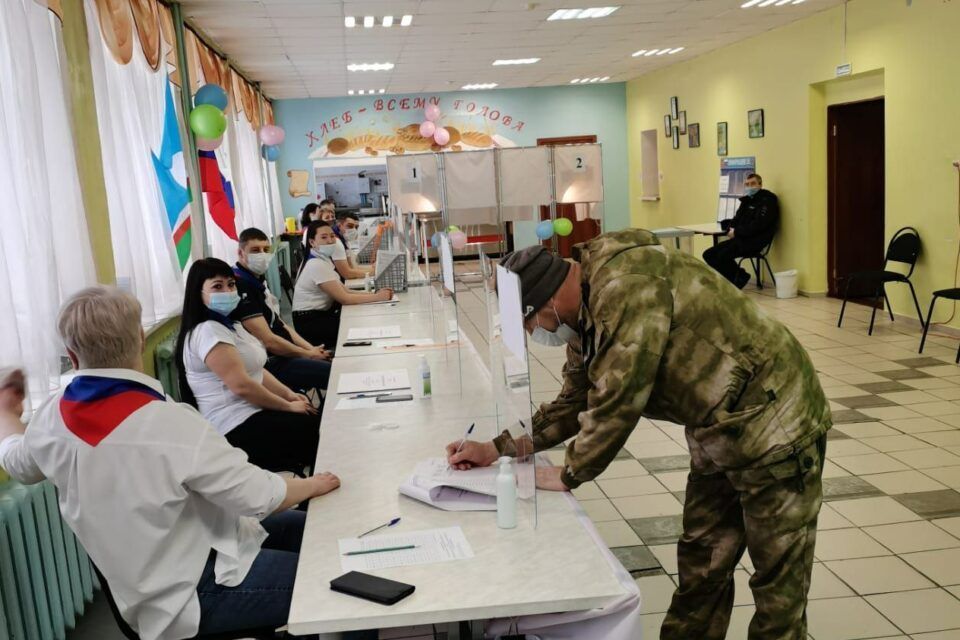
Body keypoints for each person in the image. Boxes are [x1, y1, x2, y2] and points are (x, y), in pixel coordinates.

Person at [447, 231, 830, 640]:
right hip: (718, 429)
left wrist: (571, 471)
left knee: (777, 583)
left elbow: (619, 398)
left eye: (529, 321)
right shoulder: (584, 314)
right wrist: (496, 448)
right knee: (703, 563)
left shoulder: (624, 289)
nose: (532, 332)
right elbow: (573, 401)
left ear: (550, 300)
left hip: (776, 422)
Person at [0, 286, 341, 640]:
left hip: (160, 575)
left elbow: (16, 460)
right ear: (140, 339)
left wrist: (6, 410)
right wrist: (314, 484)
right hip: (193, 591)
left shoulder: (51, 419)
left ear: (72, 356)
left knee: (309, 528)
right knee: (340, 576)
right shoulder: (169, 422)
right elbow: (258, 497)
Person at [176, 258, 321, 474]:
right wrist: (287, 406)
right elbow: (242, 386)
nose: (227, 291)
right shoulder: (208, 331)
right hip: (234, 425)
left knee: (315, 419)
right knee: (315, 430)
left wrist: (289, 395)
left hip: (252, 411)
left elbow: (256, 370)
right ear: (198, 293)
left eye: (231, 284)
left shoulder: (232, 325)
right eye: (217, 286)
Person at [233, 227, 332, 394]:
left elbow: (280, 324)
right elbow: (269, 341)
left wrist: (311, 349)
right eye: (255, 250)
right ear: (240, 253)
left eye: (266, 250)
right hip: (272, 361)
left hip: (286, 352)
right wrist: (307, 354)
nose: (262, 255)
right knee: (334, 373)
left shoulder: (257, 280)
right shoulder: (241, 285)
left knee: (335, 362)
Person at [293, 221, 392, 348]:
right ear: (312, 242)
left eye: (332, 236)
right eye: (324, 237)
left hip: (319, 315)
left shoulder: (321, 259)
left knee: (358, 319)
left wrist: (373, 294)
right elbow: (344, 298)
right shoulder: (316, 264)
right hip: (310, 323)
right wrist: (378, 297)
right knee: (357, 325)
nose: (330, 241)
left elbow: (344, 290)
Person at [703, 173, 780, 289]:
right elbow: (736, 219)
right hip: (741, 239)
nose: (750, 187)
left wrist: (737, 232)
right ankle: (740, 276)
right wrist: (731, 229)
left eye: (753, 184)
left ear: (760, 185)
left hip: (755, 241)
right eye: (747, 184)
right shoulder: (747, 201)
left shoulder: (768, 201)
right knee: (709, 254)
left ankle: (737, 280)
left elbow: (758, 226)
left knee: (721, 255)